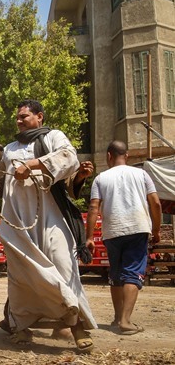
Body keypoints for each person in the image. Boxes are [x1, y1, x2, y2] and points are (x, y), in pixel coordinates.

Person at [0, 99, 97, 352]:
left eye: (24, 116)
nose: (19, 120)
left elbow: (68, 157)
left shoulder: (53, 137)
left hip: (51, 217)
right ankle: (22, 327)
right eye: (18, 117)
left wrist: (32, 165)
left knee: (63, 266)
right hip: (17, 222)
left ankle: (76, 326)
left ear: (40, 117)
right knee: (21, 276)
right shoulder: (9, 148)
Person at [86, 140, 162, 335]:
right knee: (132, 273)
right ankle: (126, 321)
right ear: (126, 156)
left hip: (112, 231)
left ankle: (118, 318)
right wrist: (156, 230)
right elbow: (155, 203)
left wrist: (89, 237)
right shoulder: (142, 174)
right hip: (138, 229)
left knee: (116, 275)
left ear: (109, 156)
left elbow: (93, 207)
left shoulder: (100, 178)